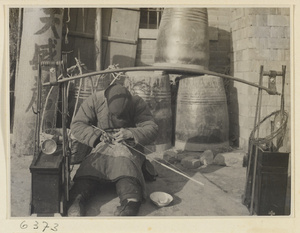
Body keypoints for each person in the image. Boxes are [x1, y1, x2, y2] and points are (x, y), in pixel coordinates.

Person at [67, 83, 158, 216]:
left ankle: (130, 202)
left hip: (128, 146)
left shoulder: (137, 102)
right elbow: (77, 125)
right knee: (91, 167)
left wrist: (131, 133)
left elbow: (152, 128)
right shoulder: (95, 100)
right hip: (102, 143)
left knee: (126, 167)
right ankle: (77, 200)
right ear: (106, 100)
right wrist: (97, 136)